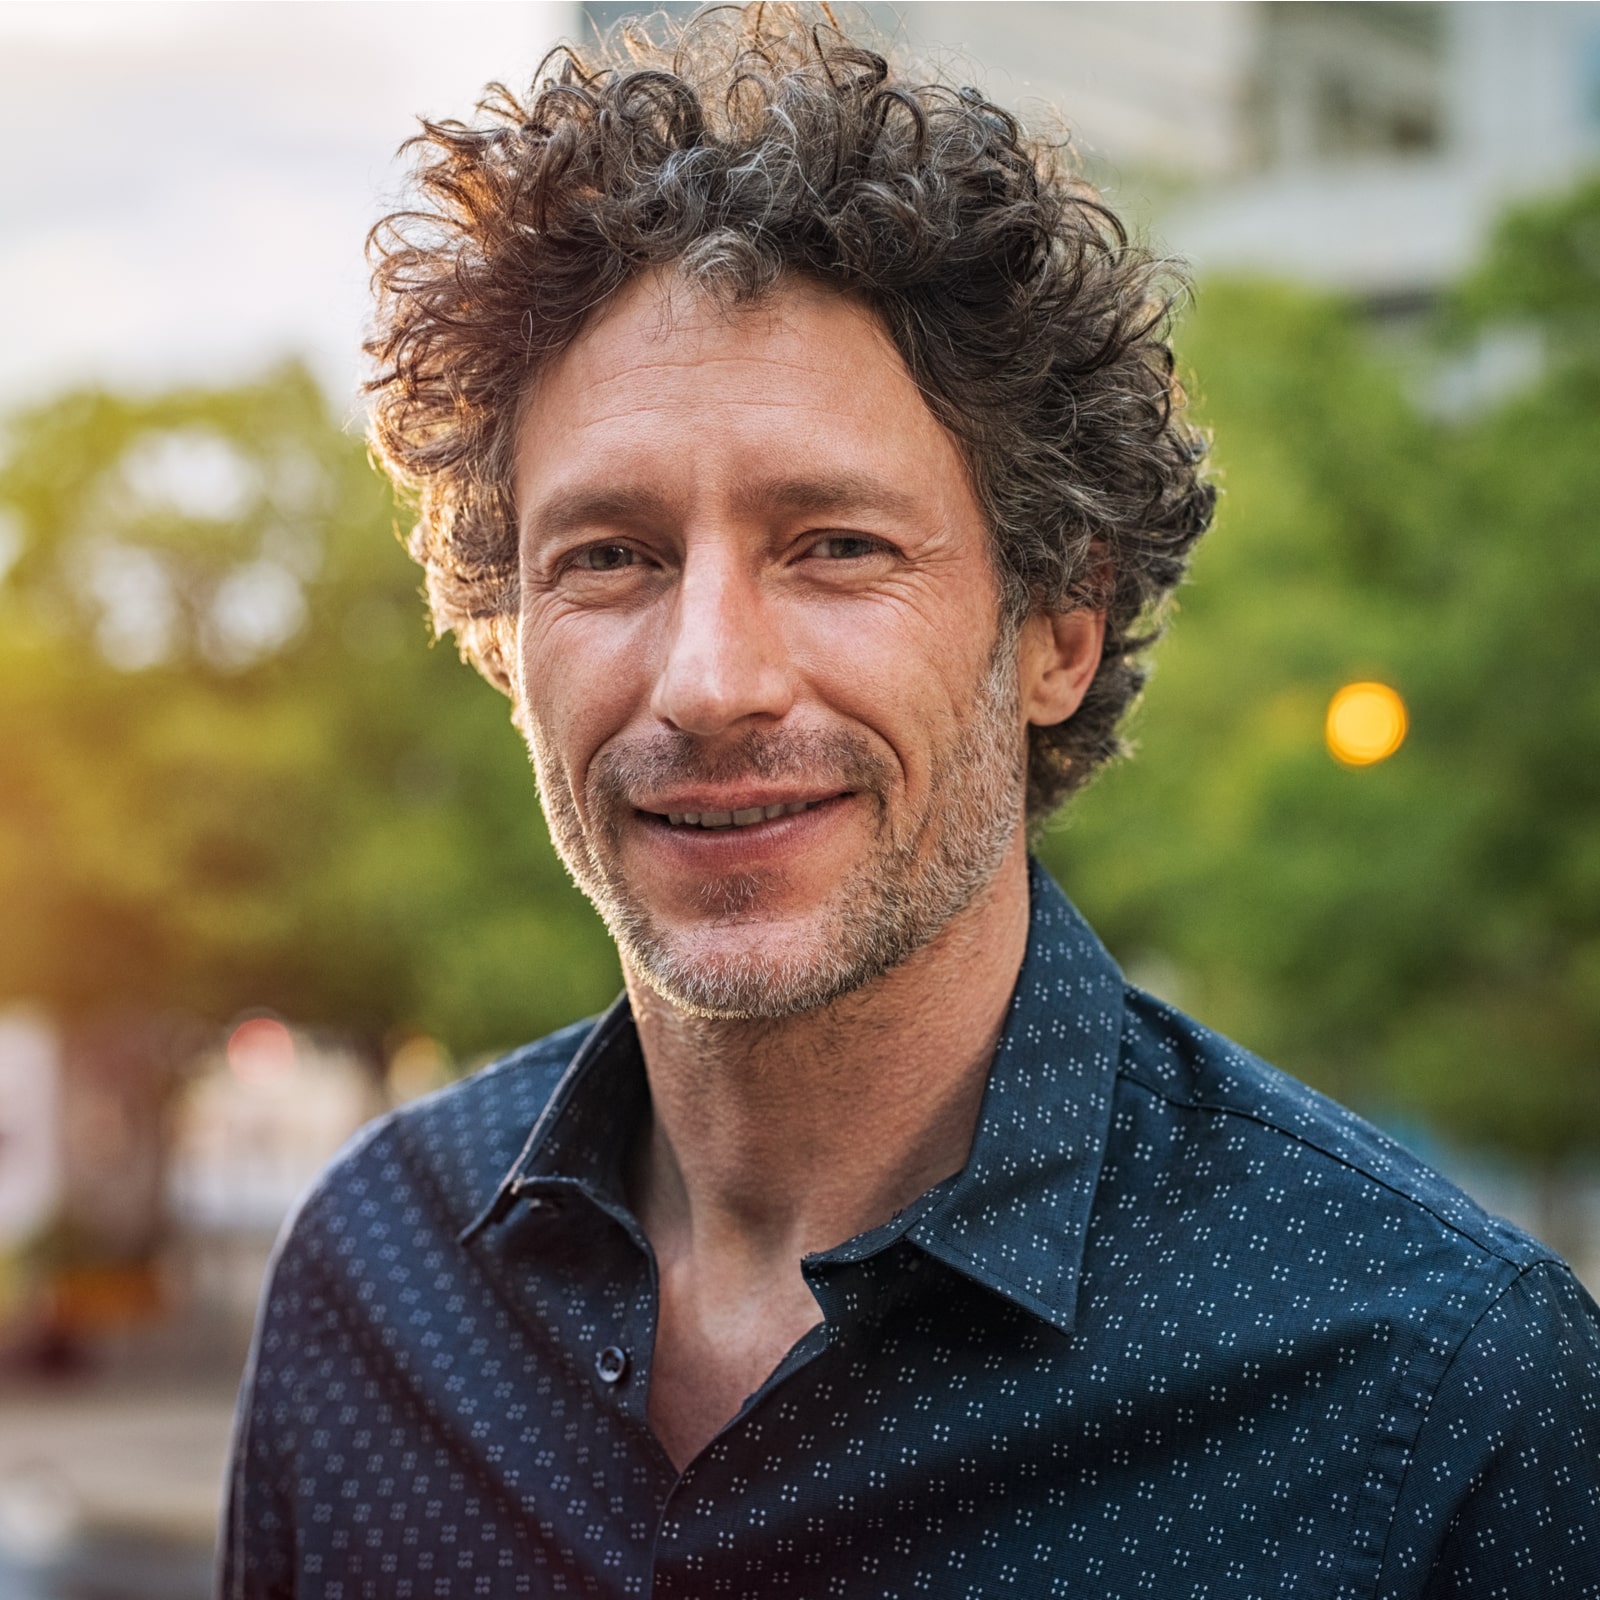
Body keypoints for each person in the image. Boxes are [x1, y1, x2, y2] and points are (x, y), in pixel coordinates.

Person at [221, 8, 1600, 1595]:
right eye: (610, 556)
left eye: (838, 547)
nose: (708, 680)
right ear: (503, 638)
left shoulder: (1437, 1392)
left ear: (1057, 634)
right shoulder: (366, 1285)